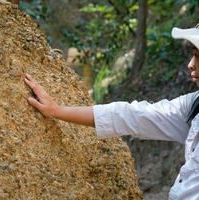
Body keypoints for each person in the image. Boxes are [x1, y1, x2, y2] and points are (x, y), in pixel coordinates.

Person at [24, 25, 199, 200]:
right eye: (193, 55)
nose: (191, 64)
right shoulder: (193, 105)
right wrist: (58, 111)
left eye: (198, 56)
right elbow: (131, 115)